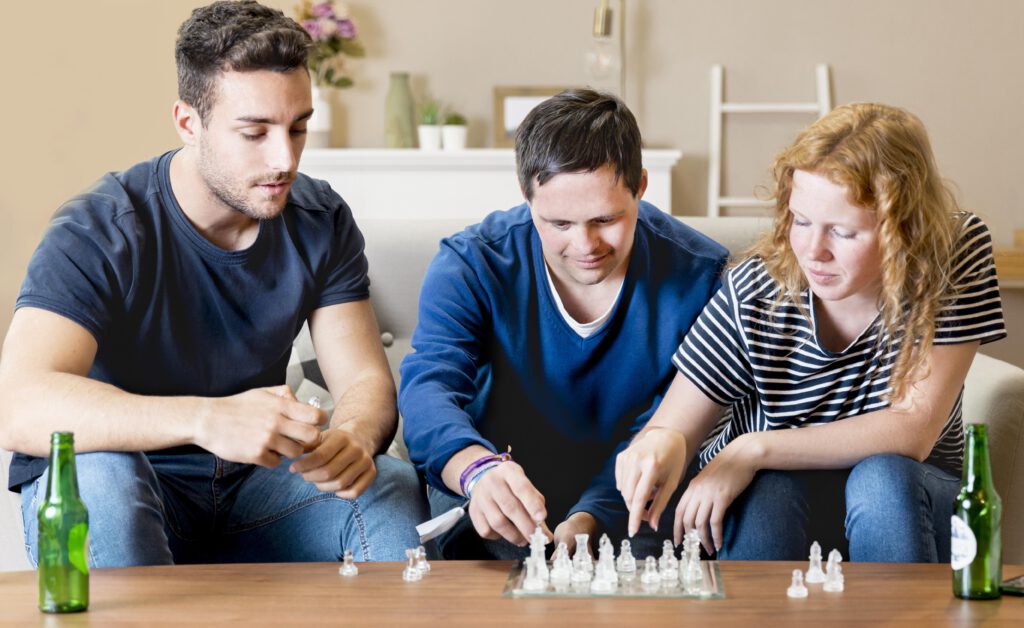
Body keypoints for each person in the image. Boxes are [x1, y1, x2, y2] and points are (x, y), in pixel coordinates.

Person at [0, 0, 428, 567]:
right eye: (254, 133)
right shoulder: (101, 228)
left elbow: (366, 380)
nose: (284, 159)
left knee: (388, 486)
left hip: (258, 485)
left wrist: (351, 437)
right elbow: (18, 402)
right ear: (188, 123)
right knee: (98, 479)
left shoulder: (320, 218)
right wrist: (205, 418)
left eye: (298, 128)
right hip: (130, 475)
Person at [615, 102, 1007, 562]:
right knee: (768, 490)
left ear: (905, 229)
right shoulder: (758, 287)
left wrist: (753, 448)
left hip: (908, 502)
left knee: (881, 479)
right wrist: (659, 445)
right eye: (800, 222)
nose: (812, 252)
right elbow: (674, 427)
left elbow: (913, 429)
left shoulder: (953, 251)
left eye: (843, 232)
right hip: (774, 498)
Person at [399, 89, 729, 558]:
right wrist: (476, 470)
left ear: (640, 186)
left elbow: (669, 422)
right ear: (526, 197)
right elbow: (428, 388)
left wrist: (591, 516)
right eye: (558, 224)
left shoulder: (700, 274)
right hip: (497, 494)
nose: (585, 244)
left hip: (636, 504)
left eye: (606, 219)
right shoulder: (471, 263)